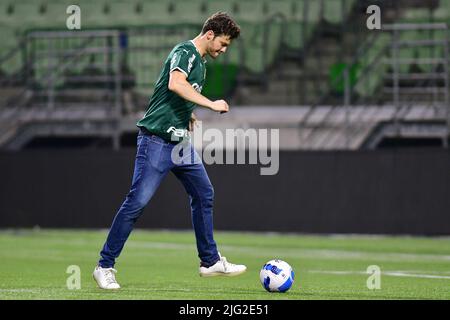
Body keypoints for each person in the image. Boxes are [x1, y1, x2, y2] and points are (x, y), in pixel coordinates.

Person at [93, 12, 246, 290]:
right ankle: (104, 265)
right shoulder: (185, 50)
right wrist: (211, 104)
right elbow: (176, 83)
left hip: (179, 144)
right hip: (156, 141)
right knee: (137, 202)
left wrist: (186, 114)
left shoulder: (200, 63)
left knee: (204, 193)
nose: (224, 50)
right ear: (210, 34)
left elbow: (175, 93)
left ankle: (209, 260)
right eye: (223, 43)